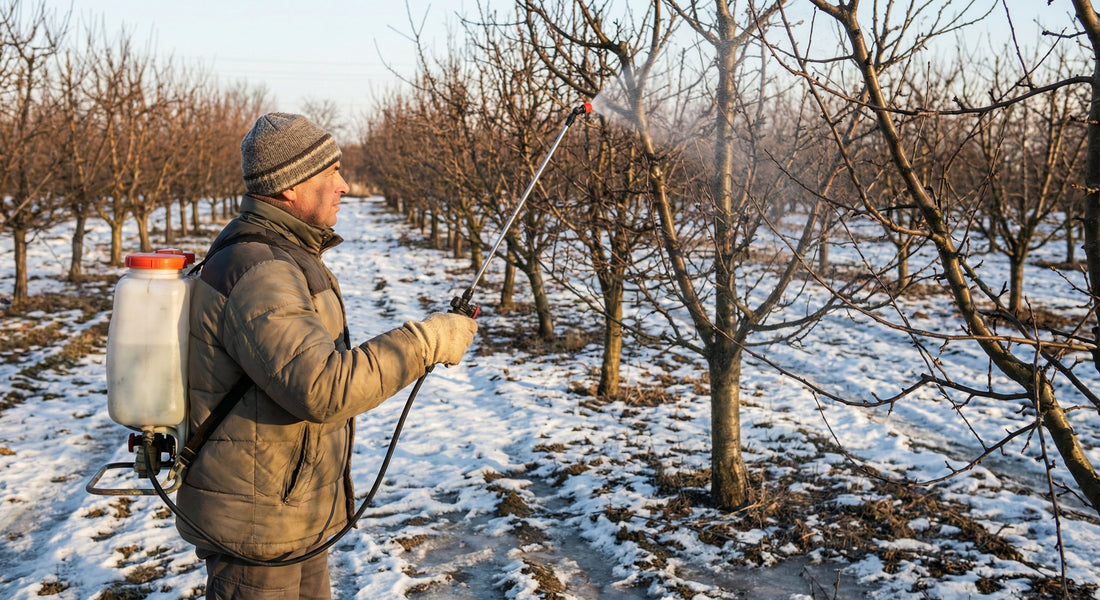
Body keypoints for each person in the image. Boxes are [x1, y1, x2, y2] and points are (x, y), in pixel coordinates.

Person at [176, 112, 477, 599]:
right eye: (331, 172)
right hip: (259, 528)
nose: (343, 185)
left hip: (286, 512)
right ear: (290, 186)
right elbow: (322, 387)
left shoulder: (284, 254)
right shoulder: (262, 270)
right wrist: (426, 342)